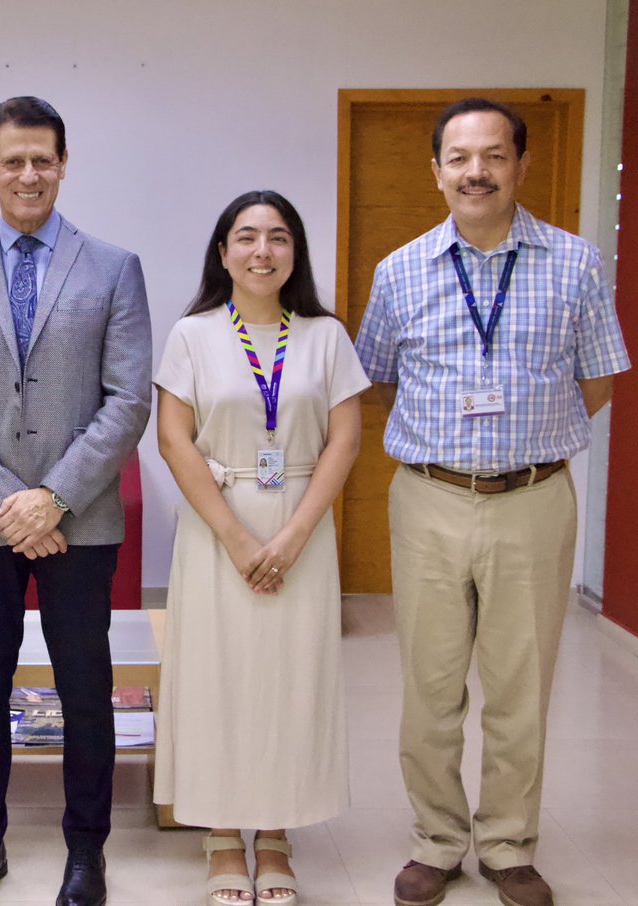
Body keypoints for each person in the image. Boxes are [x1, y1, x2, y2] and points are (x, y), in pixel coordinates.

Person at [354, 98, 630, 906]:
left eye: (495, 155)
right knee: (430, 685)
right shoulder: (400, 269)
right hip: (430, 498)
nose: (477, 171)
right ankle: (437, 840)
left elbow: (599, 378)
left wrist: (531, 438)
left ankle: (509, 843)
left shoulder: (576, 263)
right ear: (436, 169)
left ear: (521, 164)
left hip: (535, 498)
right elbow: (376, 376)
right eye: (460, 157)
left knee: (521, 685)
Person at [0, 96, 151, 906]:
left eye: (42, 159)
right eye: (12, 160)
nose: (28, 174)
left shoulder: (114, 267)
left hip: (80, 523)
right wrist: (9, 506)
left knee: (84, 688)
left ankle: (86, 851)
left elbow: (127, 401)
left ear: (62, 164)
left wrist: (51, 499)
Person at [153, 191, 369, 906]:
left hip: (303, 524)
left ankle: (275, 835)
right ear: (222, 252)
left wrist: (296, 533)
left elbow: (345, 439)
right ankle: (220, 836)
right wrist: (239, 538)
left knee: (290, 679)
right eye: (246, 237)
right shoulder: (192, 334)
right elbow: (173, 440)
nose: (262, 251)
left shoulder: (326, 337)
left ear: (294, 253)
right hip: (218, 528)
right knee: (218, 677)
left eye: (278, 237)